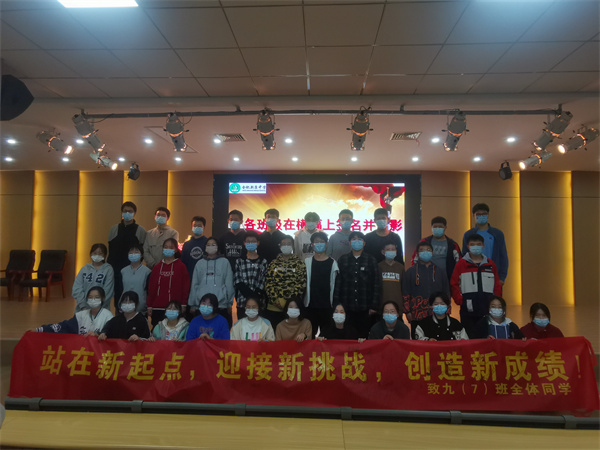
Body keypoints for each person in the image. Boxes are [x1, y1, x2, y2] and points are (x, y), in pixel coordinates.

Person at [451, 233, 502, 337]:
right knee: (469, 337)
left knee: (487, 336)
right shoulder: (461, 264)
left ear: (483, 246)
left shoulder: (490, 264)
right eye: (472, 244)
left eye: (478, 244)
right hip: (468, 310)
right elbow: (454, 283)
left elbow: (497, 285)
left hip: (487, 308)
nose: (475, 247)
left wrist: (496, 301)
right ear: (468, 246)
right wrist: (459, 300)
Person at [333, 231, 380, 339]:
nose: (357, 241)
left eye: (359, 239)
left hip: (365, 307)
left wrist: (374, 305)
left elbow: (376, 283)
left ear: (364, 243)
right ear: (349, 243)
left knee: (363, 337)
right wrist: (336, 304)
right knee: (347, 337)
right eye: (354, 239)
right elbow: (338, 283)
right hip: (347, 307)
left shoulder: (371, 260)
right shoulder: (343, 259)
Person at [402, 241, 450, 337]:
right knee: (418, 342)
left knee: (438, 340)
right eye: (422, 250)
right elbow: (405, 292)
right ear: (417, 254)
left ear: (432, 252)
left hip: (437, 313)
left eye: (428, 250)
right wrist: (407, 311)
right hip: (417, 314)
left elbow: (446, 292)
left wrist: (447, 310)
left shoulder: (440, 271)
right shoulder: (410, 272)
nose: (425, 252)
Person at [107, 201, 146, 309]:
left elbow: (142, 251)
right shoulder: (114, 229)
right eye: (125, 211)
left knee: (134, 295)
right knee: (118, 297)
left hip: (133, 269)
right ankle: (119, 315)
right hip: (116, 269)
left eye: (130, 211)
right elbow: (110, 248)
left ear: (134, 213)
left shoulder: (140, 230)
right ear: (121, 212)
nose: (127, 213)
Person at [189, 237, 234, 327]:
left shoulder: (225, 262)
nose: (211, 247)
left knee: (219, 331)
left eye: (213, 245)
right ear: (205, 247)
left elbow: (229, 283)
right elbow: (195, 284)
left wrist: (229, 302)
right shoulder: (200, 263)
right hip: (202, 305)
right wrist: (193, 304)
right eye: (208, 245)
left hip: (221, 304)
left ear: (218, 247)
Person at [264, 235, 307, 330]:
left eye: (289, 244)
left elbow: (301, 284)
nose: (286, 246)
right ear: (280, 246)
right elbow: (268, 283)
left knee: (291, 335)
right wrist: (276, 301)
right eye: (284, 244)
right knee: (274, 334)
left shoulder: (299, 263)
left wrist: (288, 303)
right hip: (274, 307)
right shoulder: (273, 263)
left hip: (292, 308)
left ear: (293, 246)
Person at [147, 238, 190, 326]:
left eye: (171, 247)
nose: (168, 249)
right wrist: (149, 305)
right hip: (158, 307)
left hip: (175, 308)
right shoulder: (157, 267)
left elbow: (185, 286)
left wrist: (183, 304)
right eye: (166, 247)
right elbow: (151, 287)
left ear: (176, 249)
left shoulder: (181, 267)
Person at [35, 286, 113, 335]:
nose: (93, 300)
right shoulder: (81, 315)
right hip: (82, 350)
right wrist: (43, 329)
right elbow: (65, 326)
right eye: (90, 297)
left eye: (96, 297)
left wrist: (97, 334)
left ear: (103, 298)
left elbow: (111, 334)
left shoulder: (108, 316)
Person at [462, 203, 508, 284]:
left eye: (484, 214)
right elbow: (464, 256)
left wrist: (502, 277)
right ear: (473, 216)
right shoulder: (468, 234)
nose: (481, 216)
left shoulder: (497, 234)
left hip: (493, 274)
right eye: (478, 214)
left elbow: (503, 256)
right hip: (473, 275)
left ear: (488, 215)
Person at [304, 231, 339, 338]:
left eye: (322, 241)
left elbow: (336, 285)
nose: (319, 244)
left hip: (327, 307)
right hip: (310, 306)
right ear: (312, 244)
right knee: (309, 336)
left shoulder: (333, 263)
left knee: (326, 337)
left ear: (326, 244)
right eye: (316, 242)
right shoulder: (306, 262)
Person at [411, 216, 461, 282]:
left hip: (446, 280)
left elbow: (459, 263)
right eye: (435, 227)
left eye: (440, 226)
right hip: (426, 279)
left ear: (445, 227)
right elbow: (415, 260)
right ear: (431, 227)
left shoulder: (452, 245)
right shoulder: (424, 242)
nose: (437, 228)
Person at [234, 230, 267, 320]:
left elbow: (263, 281)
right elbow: (238, 281)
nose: (250, 243)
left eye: (253, 241)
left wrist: (255, 299)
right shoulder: (239, 261)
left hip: (259, 303)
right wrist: (250, 297)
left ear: (258, 243)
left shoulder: (263, 261)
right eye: (248, 241)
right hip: (242, 303)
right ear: (244, 243)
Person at [73, 243, 114, 312]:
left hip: (101, 310)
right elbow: (77, 288)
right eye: (95, 253)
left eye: (100, 253)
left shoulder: (108, 269)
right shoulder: (85, 269)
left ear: (104, 255)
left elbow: (108, 291)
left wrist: (97, 307)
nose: (97, 255)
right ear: (91, 254)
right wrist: (83, 306)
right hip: (83, 309)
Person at [120, 244, 151, 314]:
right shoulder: (123, 271)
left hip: (141, 307)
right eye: (131, 252)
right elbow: (120, 289)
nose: (133, 254)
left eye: (136, 252)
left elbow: (149, 291)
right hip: (125, 306)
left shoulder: (147, 272)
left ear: (141, 255)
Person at [379, 242, 405, 324]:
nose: (391, 251)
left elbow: (404, 287)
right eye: (388, 249)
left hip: (397, 305)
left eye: (393, 249)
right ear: (383, 252)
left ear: (396, 251)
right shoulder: (378, 266)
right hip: (381, 306)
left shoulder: (401, 267)